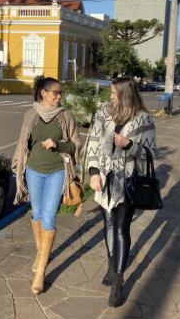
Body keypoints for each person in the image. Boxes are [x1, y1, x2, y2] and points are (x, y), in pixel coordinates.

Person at [87, 76, 156, 307]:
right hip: (103, 180)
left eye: (115, 93)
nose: (111, 97)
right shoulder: (103, 113)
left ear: (126, 94)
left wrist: (129, 145)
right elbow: (93, 143)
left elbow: (150, 154)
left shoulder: (143, 119)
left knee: (120, 228)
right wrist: (93, 172)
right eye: (111, 93)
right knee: (107, 223)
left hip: (127, 182)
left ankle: (118, 281)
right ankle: (110, 265)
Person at [12, 76, 81, 295]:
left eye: (61, 93)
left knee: (49, 219)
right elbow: (23, 144)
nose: (59, 96)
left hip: (57, 172)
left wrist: (58, 144)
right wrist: (18, 166)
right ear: (43, 93)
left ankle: (40, 271)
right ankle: (42, 253)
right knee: (37, 214)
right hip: (34, 170)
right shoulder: (30, 115)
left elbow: (76, 144)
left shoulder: (66, 116)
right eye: (55, 93)